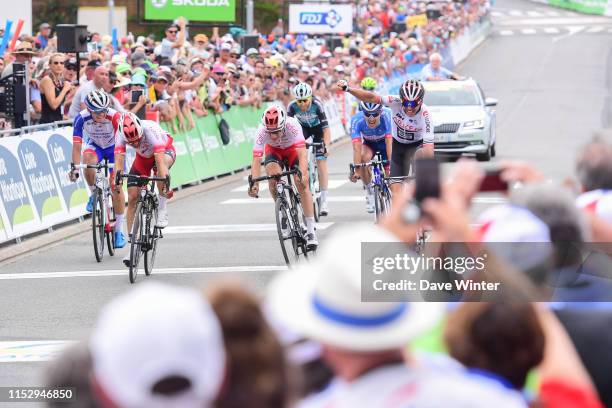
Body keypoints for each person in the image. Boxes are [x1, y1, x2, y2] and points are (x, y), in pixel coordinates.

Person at [337, 78, 434, 194]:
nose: (409, 107)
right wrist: (348, 89)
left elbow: (428, 149)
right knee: (395, 190)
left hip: (417, 146)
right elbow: (370, 97)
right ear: (401, 99)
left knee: (420, 164)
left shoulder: (426, 115)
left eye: (413, 103)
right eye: (406, 103)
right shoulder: (395, 101)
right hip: (398, 146)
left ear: (421, 101)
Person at [248, 105, 319, 249]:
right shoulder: (261, 131)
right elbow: (256, 160)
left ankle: (311, 230)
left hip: (293, 150)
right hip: (274, 152)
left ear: (283, 125)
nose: (273, 136)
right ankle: (282, 212)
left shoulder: (292, 125)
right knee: (272, 177)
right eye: (270, 132)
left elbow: (302, 154)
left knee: (301, 182)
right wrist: (254, 184)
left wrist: (303, 174)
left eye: (277, 131)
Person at [113, 112, 176, 267]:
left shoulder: (151, 130)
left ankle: (162, 208)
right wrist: (118, 182)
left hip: (164, 152)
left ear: (141, 131)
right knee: (133, 196)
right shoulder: (120, 135)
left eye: (137, 140)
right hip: (142, 159)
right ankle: (133, 246)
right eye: (131, 142)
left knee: (160, 170)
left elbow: (160, 162)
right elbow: (119, 164)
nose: (134, 143)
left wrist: (164, 183)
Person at [68, 90, 126, 249]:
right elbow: (77, 145)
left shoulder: (114, 116)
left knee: (117, 187)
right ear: (89, 109)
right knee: (87, 160)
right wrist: (74, 168)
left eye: (104, 110)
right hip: (96, 146)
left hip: (115, 148)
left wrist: (119, 170)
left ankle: (119, 230)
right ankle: (94, 192)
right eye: (97, 111)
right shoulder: (81, 118)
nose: (102, 114)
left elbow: (122, 144)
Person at [287, 83, 331, 216]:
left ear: (310, 98)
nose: (302, 104)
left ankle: (324, 200)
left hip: (318, 130)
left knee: (321, 160)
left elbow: (326, 128)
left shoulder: (317, 105)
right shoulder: (292, 106)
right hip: (303, 130)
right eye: (299, 101)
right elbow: (289, 127)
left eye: (305, 100)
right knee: (299, 153)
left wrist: (326, 145)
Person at [349, 101, 393, 213]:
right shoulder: (356, 120)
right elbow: (357, 147)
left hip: (385, 143)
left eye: (375, 114)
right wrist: (357, 170)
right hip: (369, 144)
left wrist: (392, 163)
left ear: (381, 111)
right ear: (362, 112)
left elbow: (389, 141)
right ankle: (370, 193)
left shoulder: (387, 115)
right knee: (363, 159)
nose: (371, 118)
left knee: (391, 174)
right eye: (368, 114)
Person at [39, 53, 73, 124]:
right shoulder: (47, 80)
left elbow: (59, 107)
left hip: (57, 124)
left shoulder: (60, 82)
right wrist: (65, 89)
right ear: (49, 65)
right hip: (47, 125)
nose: (59, 65)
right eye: (56, 63)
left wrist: (64, 117)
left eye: (61, 63)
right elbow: (53, 105)